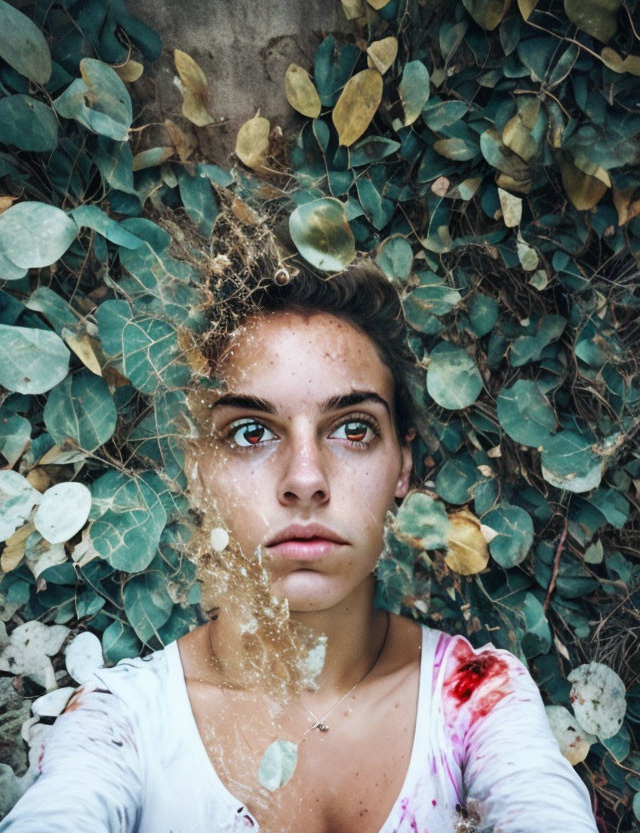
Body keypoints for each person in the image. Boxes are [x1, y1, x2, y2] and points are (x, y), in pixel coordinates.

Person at [0, 259, 599, 833]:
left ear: (403, 468)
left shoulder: (479, 699)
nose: (306, 478)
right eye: (251, 432)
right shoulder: (121, 721)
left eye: (353, 429)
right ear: (197, 474)